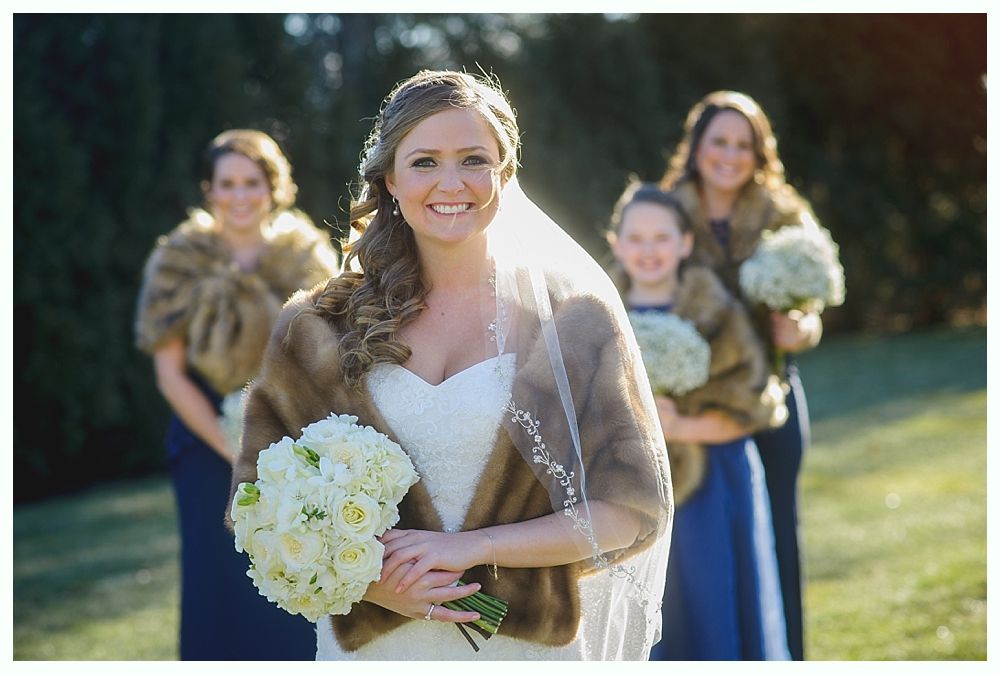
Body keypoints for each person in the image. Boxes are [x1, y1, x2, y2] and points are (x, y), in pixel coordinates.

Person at [227, 70, 673, 660]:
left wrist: (472, 548)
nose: (451, 183)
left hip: (523, 652)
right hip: (375, 649)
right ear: (389, 178)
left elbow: (630, 511)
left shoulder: (574, 325)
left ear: (505, 174)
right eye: (425, 162)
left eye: (473, 159)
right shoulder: (317, 329)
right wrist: (369, 578)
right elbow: (254, 502)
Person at [135, 129, 340, 660]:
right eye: (226, 183)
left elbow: (329, 360)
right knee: (217, 582)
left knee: (297, 569)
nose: (239, 195)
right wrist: (236, 447)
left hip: (294, 442)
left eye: (252, 182)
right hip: (207, 445)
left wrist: (295, 445)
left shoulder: (309, 259)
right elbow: (169, 374)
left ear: (275, 189)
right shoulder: (178, 261)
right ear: (209, 190)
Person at [660, 91, 832, 660]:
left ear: (760, 153)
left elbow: (811, 316)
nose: (730, 155)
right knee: (702, 544)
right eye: (720, 142)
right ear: (697, 147)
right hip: (695, 410)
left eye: (743, 144)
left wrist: (799, 329)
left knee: (779, 536)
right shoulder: (667, 213)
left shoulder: (785, 217)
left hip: (771, 401)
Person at [607, 181, 789, 660]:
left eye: (662, 238)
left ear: (685, 243)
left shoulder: (717, 312)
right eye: (637, 238)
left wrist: (681, 428)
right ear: (616, 243)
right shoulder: (597, 313)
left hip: (713, 484)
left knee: (712, 600)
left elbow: (756, 407)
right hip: (629, 489)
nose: (649, 251)